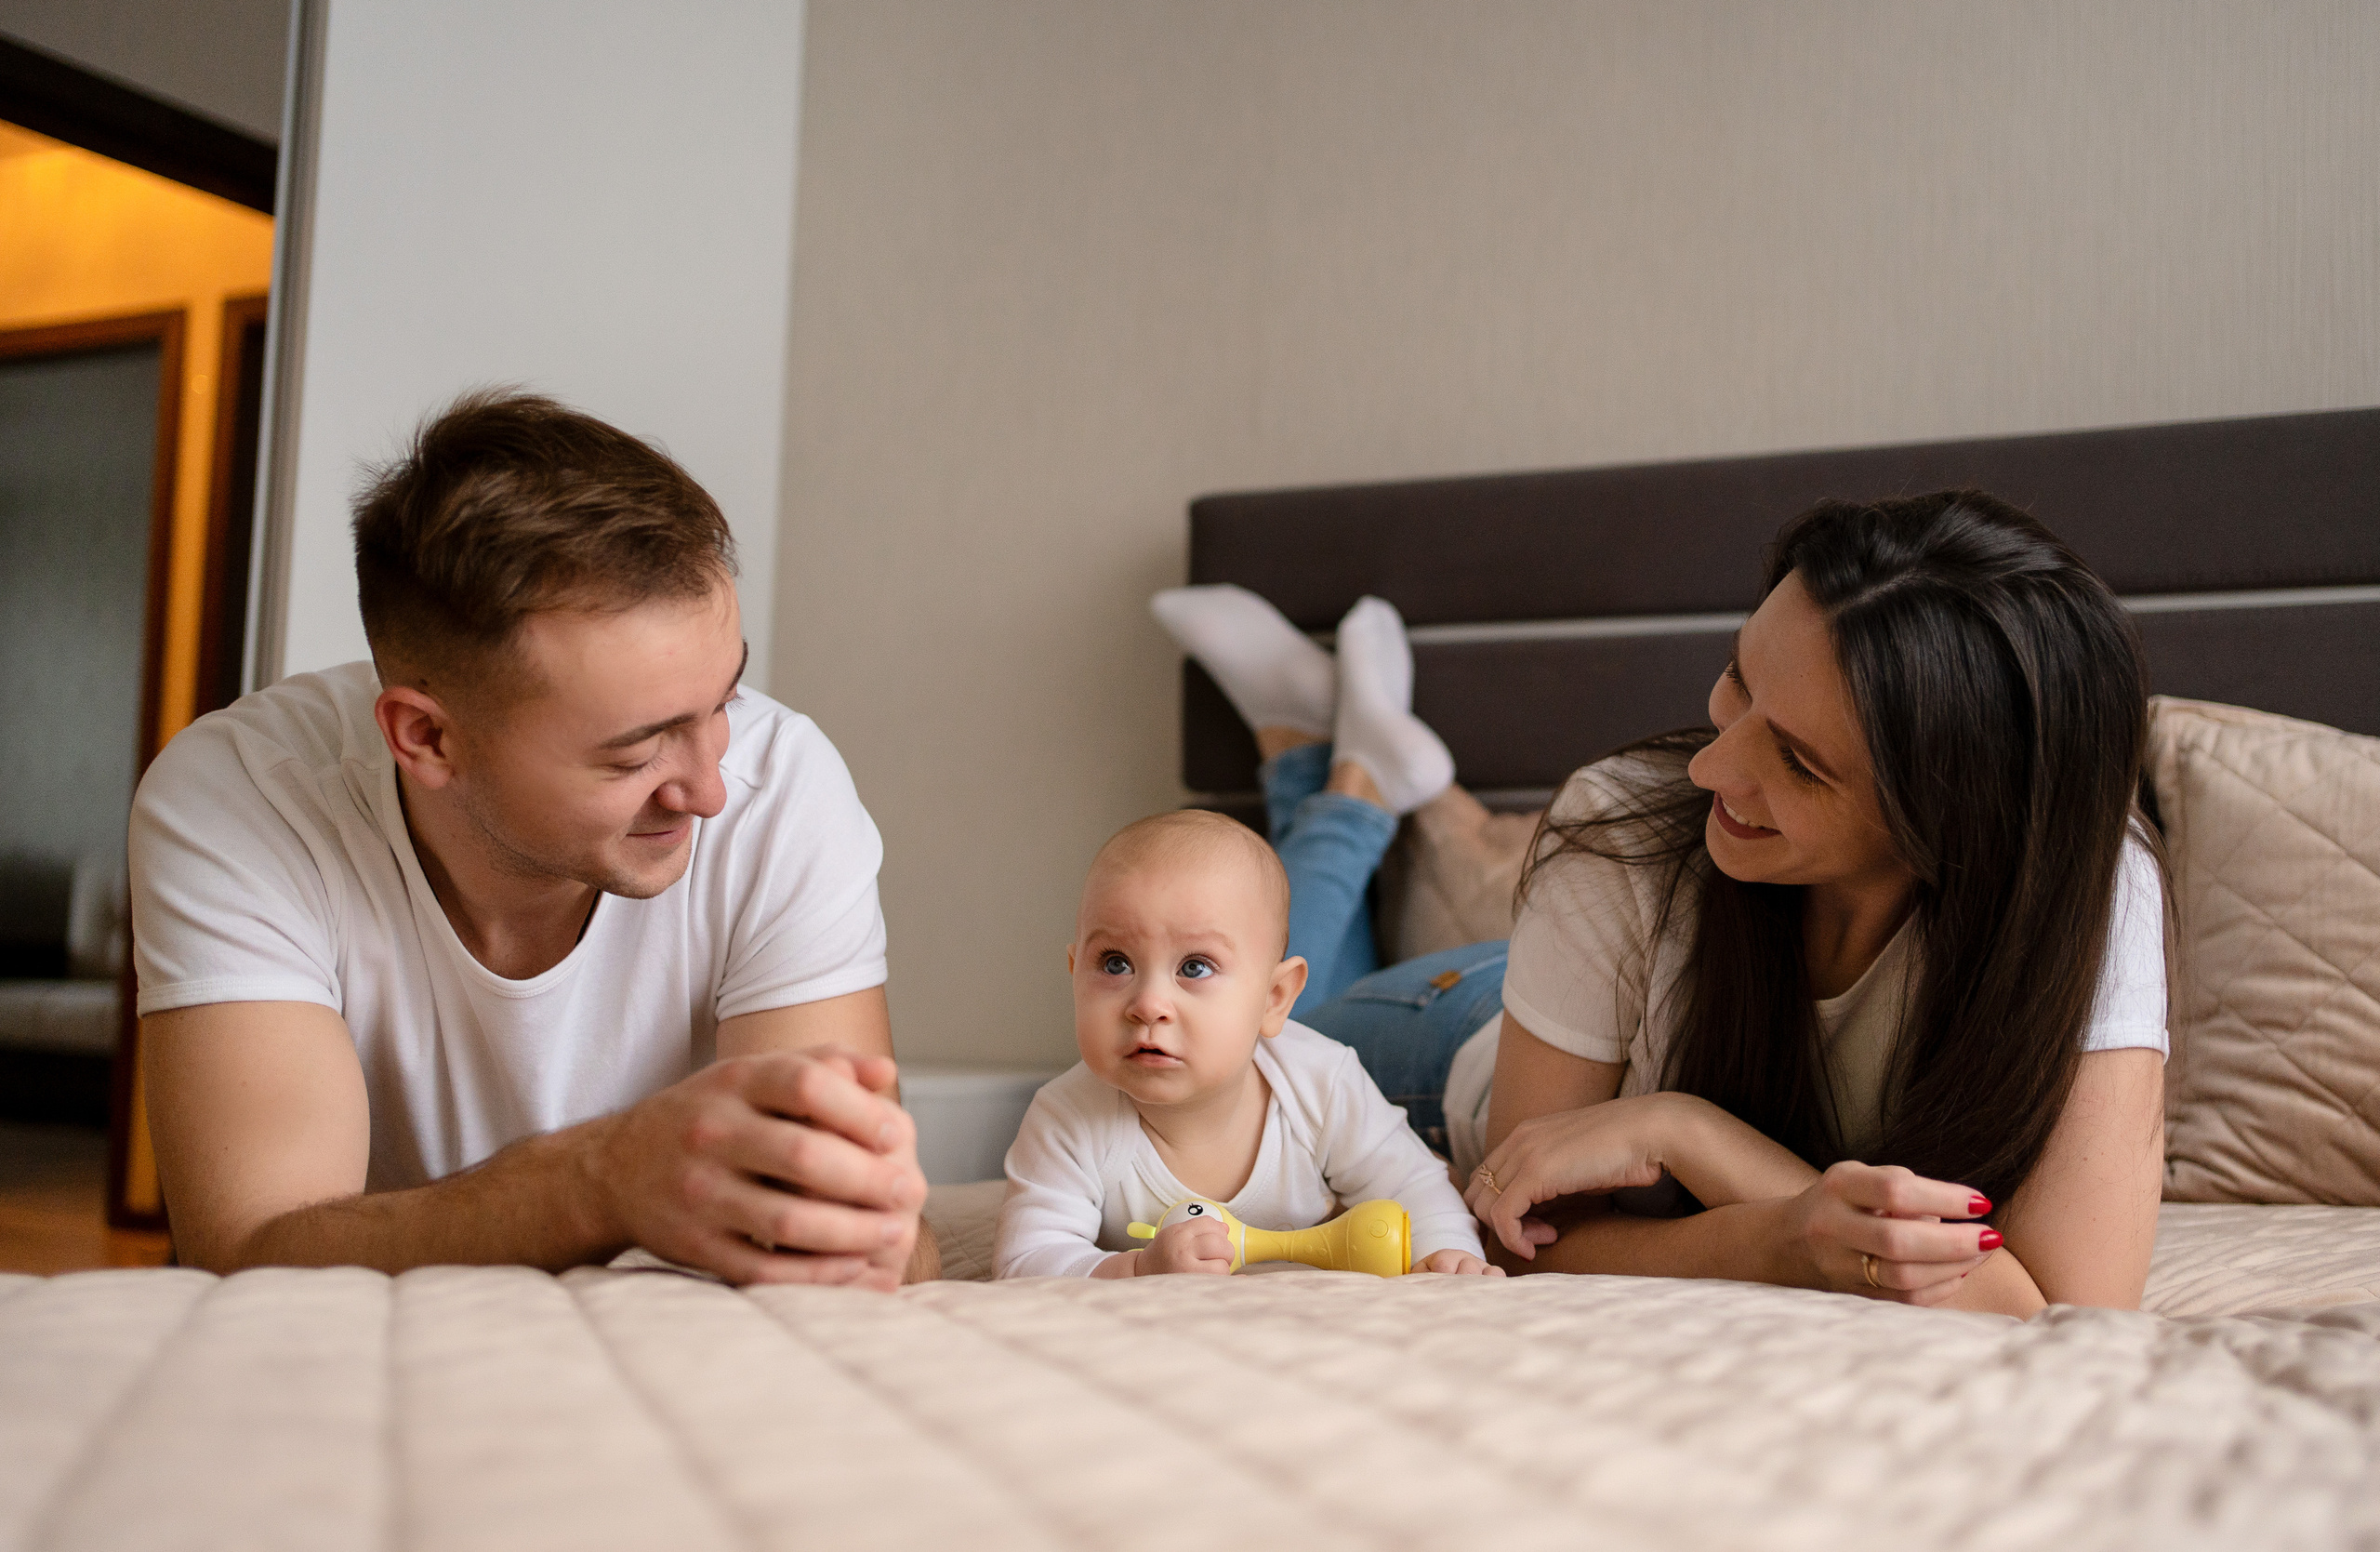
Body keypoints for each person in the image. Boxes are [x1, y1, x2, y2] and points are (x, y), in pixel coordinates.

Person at [1150, 490, 2169, 1317]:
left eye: (1799, 763)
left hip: (1575, 1008)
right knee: (1235, 1028)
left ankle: (1338, 760)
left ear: (1951, 821)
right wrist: (1779, 1228)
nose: (1710, 767)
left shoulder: (2083, 890)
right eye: (1739, 680)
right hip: (1449, 1038)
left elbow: (2062, 1311)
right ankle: (1339, 785)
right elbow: (1523, 1236)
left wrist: (1690, 1134)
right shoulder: (1625, 825)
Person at [132, 391, 932, 1287]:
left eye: (723, 702)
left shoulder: (779, 788)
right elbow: (249, 1254)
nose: (710, 790)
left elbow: (878, 1241)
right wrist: (601, 1180)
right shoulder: (244, 798)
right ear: (427, 738)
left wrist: (846, 1220)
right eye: (635, 752)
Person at [994, 809, 1492, 1279]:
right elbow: (1027, 1260)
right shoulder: (1067, 1119)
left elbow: (1415, 1186)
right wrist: (1137, 1270)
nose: (1147, 1004)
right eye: (1115, 963)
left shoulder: (1321, 1082)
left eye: (1194, 967)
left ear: (1274, 999)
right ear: (1074, 974)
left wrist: (1447, 1255)